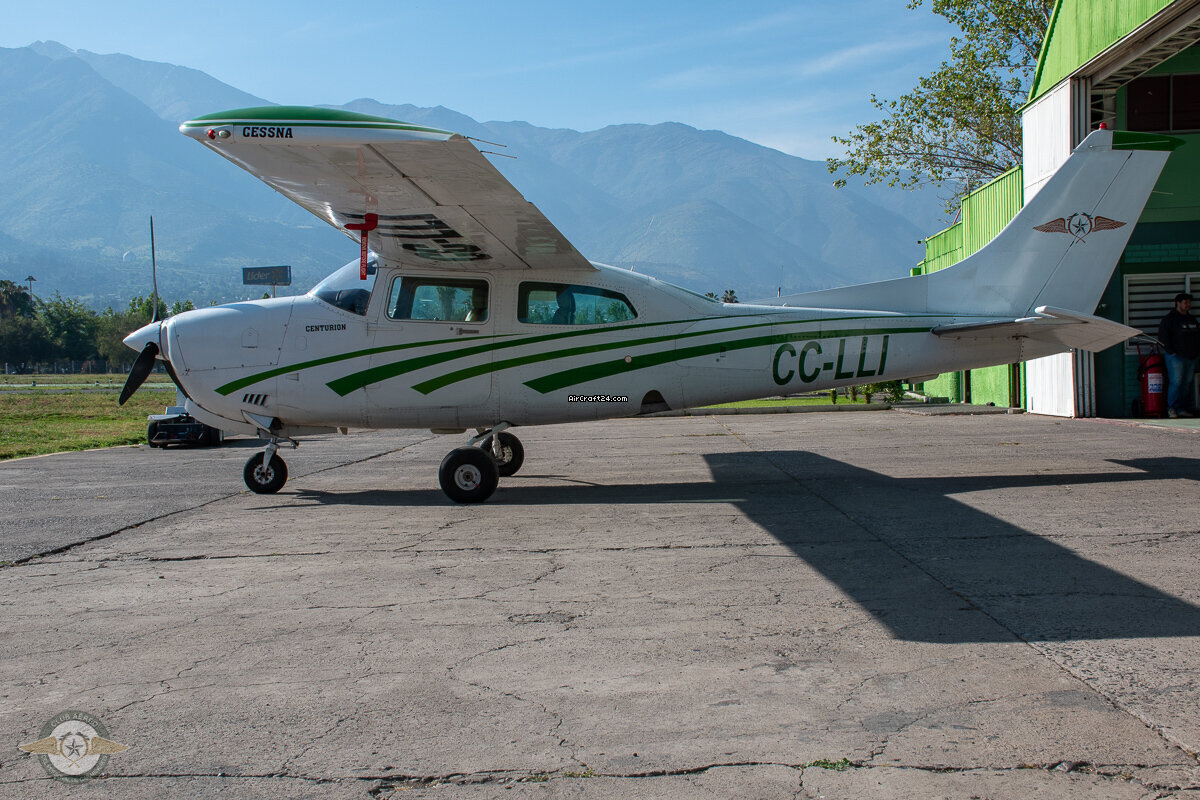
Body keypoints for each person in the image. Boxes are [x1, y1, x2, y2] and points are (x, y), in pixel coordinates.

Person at [1157, 292, 1200, 418]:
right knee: (1176, 383)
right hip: (1175, 357)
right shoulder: (1169, 319)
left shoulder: (1192, 319)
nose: (1188, 305)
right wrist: (1171, 351)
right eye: (1185, 302)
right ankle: (1172, 409)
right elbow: (1163, 338)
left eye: (1189, 302)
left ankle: (1182, 409)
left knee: (1186, 384)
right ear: (1178, 303)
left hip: (1191, 357)